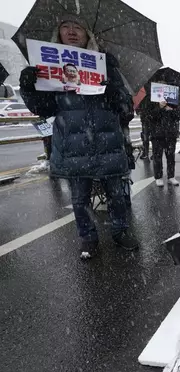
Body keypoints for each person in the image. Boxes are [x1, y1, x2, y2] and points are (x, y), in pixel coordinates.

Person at [20, 15, 138, 259]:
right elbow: (43, 108)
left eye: (78, 28)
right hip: (73, 145)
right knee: (79, 199)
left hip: (108, 143)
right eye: (65, 27)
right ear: (58, 33)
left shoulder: (106, 64)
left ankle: (120, 231)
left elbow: (127, 108)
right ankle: (88, 239)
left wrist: (114, 91)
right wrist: (29, 87)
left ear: (88, 35)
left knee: (117, 195)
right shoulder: (48, 68)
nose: (72, 32)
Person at [140, 80, 180, 187]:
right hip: (157, 133)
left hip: (171, 132)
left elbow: (178, 116)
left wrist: (171, 110)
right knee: (157, 156)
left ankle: (171, 176)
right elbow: (148, 116)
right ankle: (158, 177)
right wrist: (159, 107)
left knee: (171, 156)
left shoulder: (173, 99)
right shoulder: (151, 100)